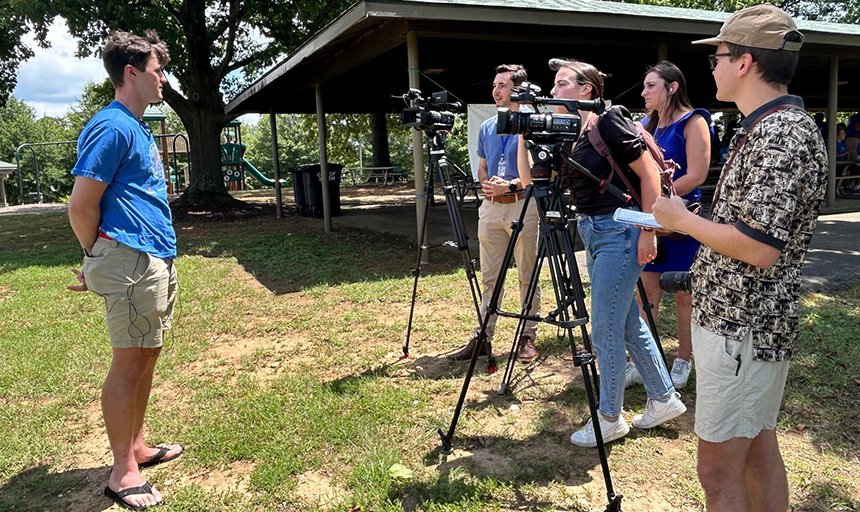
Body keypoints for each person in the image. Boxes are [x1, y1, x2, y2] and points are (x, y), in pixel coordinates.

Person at [653, 5, 827, 511]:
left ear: (745, 62)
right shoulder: (769, 127)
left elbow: (758, 248)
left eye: (719, 56)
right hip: (740, 326)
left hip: (742, 327)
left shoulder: (779, 135)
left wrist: (682, 220)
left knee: (717, 469)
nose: (713, 66)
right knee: (757, 449)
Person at [517, 58, 686, 448]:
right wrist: (526, 136)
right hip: (592, 230)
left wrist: (648, 231)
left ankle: (610, 417)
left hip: (622, 229)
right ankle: (663, 398)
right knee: (626, 320)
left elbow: (648, 175)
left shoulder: (608, 120)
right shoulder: (570, 131)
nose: (553, 91)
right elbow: (534, 182)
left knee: (604, 329)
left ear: (587, 89)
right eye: (554, 85)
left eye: (562, 84)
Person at [67, 30, 183, 510]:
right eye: (158, 70)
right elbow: (80, 205)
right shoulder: (112, 127)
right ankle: (123, 472)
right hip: (130, 258)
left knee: (147, 354)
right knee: (129, 361)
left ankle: (137, 446)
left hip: (152, 256)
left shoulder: (135, 125)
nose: (163, 79)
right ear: (131, 73)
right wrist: (95, 255)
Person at [626, 61, 712, 390]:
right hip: (652, 219)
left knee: (683, 294)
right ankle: (642, 361)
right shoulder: (647, 125)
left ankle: (683, 360)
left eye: (651, 85)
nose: (644, 92)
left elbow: (698, 174)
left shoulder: (695, 120)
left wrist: (665, 199)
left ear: (671, 87)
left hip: (682, 219)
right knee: (646, 292)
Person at [449, 64, 541, 363]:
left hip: (522, 205)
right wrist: (487, 185)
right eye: (495, 84)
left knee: (527, 274)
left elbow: (537, 170)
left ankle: (527, 335)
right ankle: (483, 336)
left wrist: (511, 185)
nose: (496, 90)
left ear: (518, 89)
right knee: (490, 276)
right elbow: (483, 164)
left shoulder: (532, 124)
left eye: (502, 85)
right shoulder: (488, 126)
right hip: (490, 208)